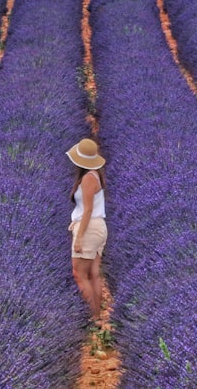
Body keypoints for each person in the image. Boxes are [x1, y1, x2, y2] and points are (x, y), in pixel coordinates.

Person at [67, 137, 107, 324]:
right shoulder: (95, 174)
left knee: (79, 274)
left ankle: (92, 318)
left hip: (89, 228)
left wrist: (80, 237)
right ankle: (97, 317)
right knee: (93, 273)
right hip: (98, 227)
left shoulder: (88, 179)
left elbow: (88, 210)